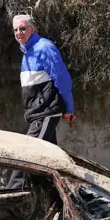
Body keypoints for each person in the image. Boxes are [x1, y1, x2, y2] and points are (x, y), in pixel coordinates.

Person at [13, 14, 74, 143]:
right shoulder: (26, 54)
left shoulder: (44, 47)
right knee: (49, 158)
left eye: (22, 28)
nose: (19, 32)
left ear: (32, 29)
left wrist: (69, 108)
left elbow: (62, 78)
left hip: (45, 113)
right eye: (16, 30)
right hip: (38, 114)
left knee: (29, 153)